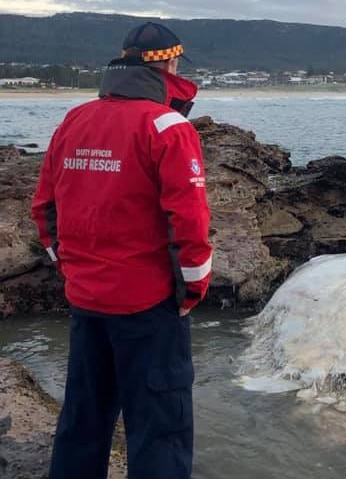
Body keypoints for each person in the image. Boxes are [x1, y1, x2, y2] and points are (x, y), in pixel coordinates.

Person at [31, 21, 211, 479]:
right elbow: (188, 223)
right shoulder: (167, 126)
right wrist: (192, 291)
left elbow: (45, 207)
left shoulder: (75, 119)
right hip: (147, 307)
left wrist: (68, 269)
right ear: (170, 64)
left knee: (83, 421)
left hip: (86, 301)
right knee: (160, 430)